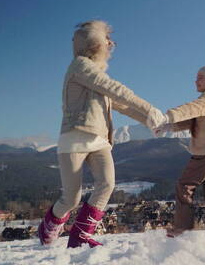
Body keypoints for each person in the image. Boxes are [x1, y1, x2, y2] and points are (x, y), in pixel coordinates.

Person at [38, 20, 166, 248]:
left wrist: (148, 120)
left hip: (99, 141)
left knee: (107, 184)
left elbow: (119, 103)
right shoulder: (80, 66)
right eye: (107, 40)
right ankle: (48, 226)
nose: (111, 44)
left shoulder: (94, 73)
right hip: (74, 139)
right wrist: (149, 108)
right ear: (93, 43)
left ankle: (81, 236)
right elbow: (115, 89)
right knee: (71, 198)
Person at [155, 66, 205, 245]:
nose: (196, 81)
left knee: (184, 185)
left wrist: (167, 116)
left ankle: (182, 230)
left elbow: (191, 109)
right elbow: (194, 119)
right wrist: (169, 127)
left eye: (200, 77)